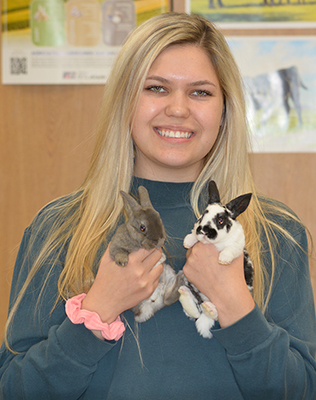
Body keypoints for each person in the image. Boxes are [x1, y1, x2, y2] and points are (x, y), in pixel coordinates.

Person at [0, 12, 315, 400]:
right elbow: (14, 389)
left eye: (200, 92)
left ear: (225, 110)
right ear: (125, 101)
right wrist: (97, 312)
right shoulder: (59, 228)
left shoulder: (277, 234)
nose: (179, 109)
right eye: (157, 88)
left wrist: (235, 305)